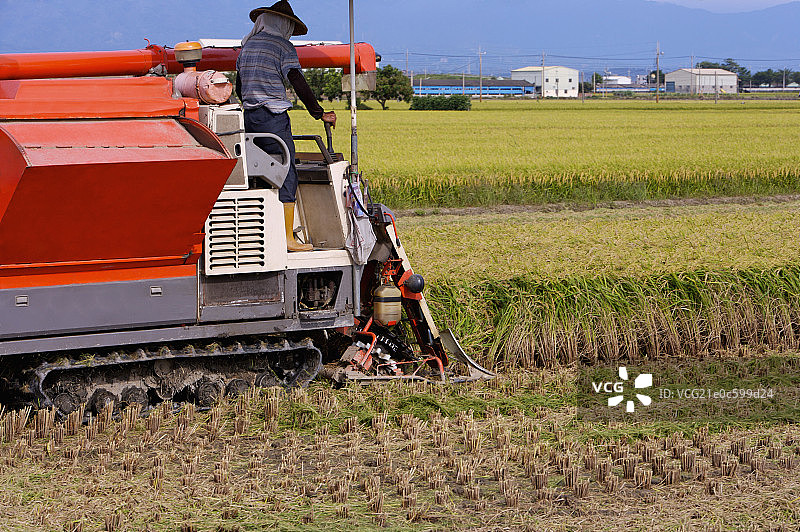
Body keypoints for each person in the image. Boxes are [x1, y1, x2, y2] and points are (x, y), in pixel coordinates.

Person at [237, 1, 337, 252]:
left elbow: (240, 86)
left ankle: (261, 233)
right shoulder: (283, 46)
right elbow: (297, 81)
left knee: (258, 171)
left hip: (249, 119)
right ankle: (288, 239)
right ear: (283, 24)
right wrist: (319, 113)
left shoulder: (247, 46)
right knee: (286, 171)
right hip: (274, 118)